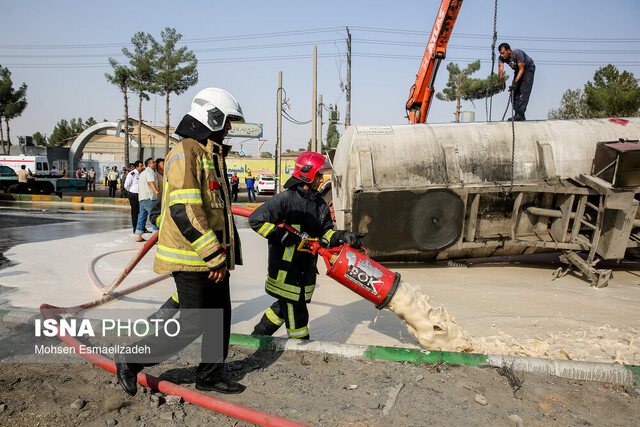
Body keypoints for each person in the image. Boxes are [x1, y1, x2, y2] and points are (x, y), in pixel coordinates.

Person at [115, 87, 246, 396]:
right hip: (193, 257)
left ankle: (210, 376)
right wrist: (213, 255)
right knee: (193, 323)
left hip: (212, 257)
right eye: (226, 121)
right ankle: (131, 359)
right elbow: (185, 210)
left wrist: (221, 256)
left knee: (220, 317)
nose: (228, 128)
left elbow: (215, 212)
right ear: (211, 117)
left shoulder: (207, 153)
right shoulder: (186, 151)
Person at [249, 152, 366, 340]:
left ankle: (256, 337)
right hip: (285, 271)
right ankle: (300, 347)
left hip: (305, 269)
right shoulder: (285, 199)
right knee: (298, 313)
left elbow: (325, 234)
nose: (322, 178)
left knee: (283, 306)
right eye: (319, 174)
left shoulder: (320, 204)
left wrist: (343, 236)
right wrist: (281, 235)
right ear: (307, 174)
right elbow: (256, 221)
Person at [498, 42, 535, 121]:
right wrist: (501, 80)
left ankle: (520, 114)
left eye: (503, 53)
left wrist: (515, 83)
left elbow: (522, 69)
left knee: (523, 91)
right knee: (513, 92)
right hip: (518, 70)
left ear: (508, 51)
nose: (501, 55)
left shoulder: (518, 53)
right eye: (500, 53)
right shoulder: (501, 58)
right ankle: (517, 113)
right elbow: (501, 68)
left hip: (528, 69)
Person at [134, 158, 160, 242]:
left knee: (142, 217)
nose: (155, 164)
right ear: (149, 165)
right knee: (155, 216)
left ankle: (139, 235)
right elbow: (150, 182)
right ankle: (155, 238)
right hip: (149, 198)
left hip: (142, 198)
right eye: (153, 163)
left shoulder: (143, 173)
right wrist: (157, 192)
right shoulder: (149, 172)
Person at [124, 160, 144, 233]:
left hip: (141, 194)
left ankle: (142, 227)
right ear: (136, 167)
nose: (142, 167)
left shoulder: (142, 173)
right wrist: (132, 191)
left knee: (142, 212)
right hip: (134, 194)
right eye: (141, 166)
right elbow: (126, 185)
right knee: (135, 212)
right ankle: (135, 228)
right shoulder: (132, 174)